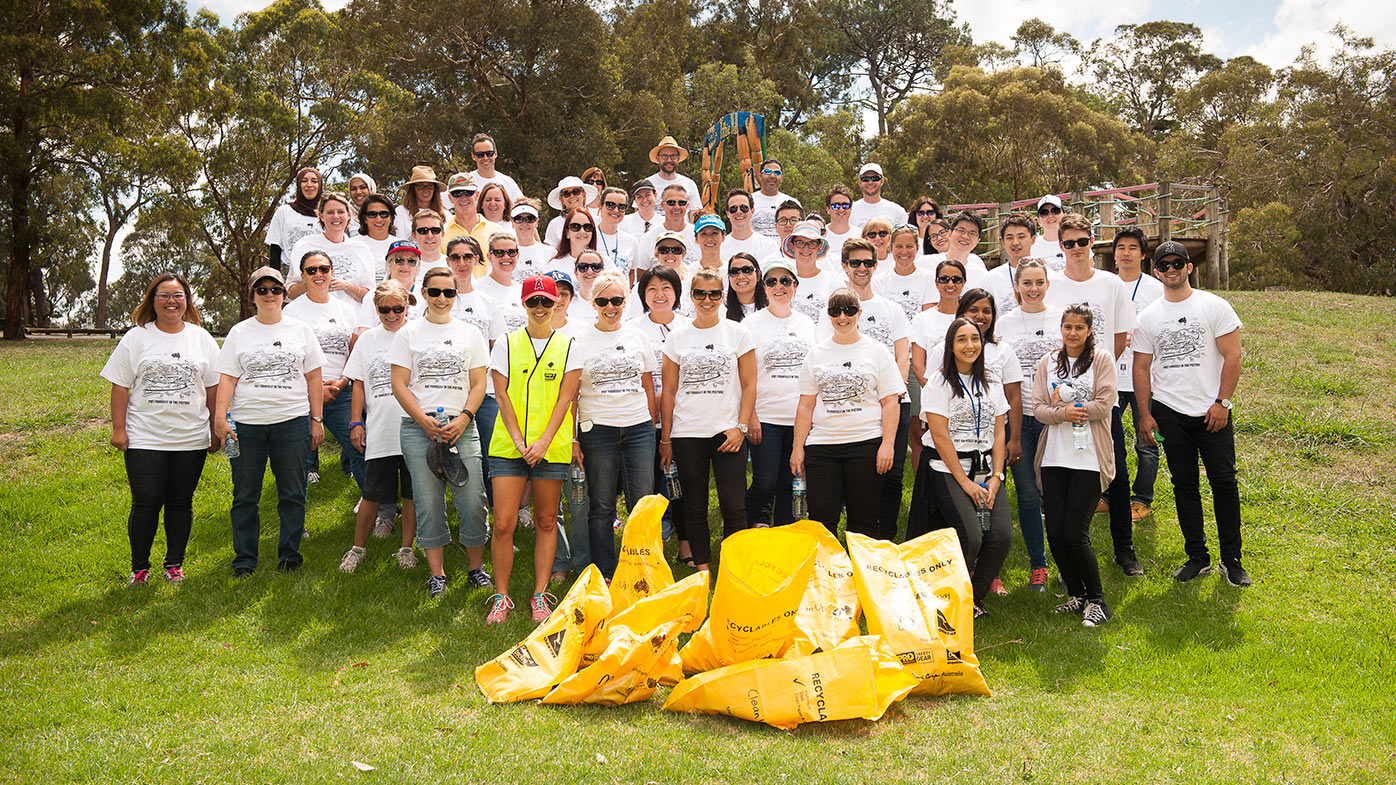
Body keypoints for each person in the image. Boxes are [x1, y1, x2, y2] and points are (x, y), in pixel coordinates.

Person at [1133, 240, 1248, 587]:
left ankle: (1232, 560)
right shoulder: (1148, 317)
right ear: (1156, 272)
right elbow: (1141, 368)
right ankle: (1197, 557)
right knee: (1184, 485)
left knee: (1224, 482)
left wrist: (1222, 402)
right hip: (1169, 412)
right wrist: (1145, 414)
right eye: (1164, 265)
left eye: (1177, 264)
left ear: (1189, 267)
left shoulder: (1214, 306)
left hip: (1213, 411)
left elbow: (1233, 356)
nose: (1171, 270)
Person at [103, 273, 221, 586]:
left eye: (178, 295)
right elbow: (120, 386)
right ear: (152, 301)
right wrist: (118, 429)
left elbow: (213, 388)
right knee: (146, 501)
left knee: (180, 502)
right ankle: (140, 569)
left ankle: (174, 565)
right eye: (164, 295)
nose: (171, 301)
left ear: (187, 301)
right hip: (145, 436)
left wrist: (215, 428)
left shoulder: (201, 338)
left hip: (190, 437)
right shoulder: (136, 337)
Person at [1043, 212, 1141, 576]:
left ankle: (1124, 550)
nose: (1076, 248)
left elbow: (1119, 338)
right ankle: (1067, 553)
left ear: (1092, 242)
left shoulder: (1110, 284)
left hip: (1101, 399)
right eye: (1068, 243)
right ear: (1060, 245)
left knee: (1116, 471)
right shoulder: (1051, 284)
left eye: (1082, 242)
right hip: (1060, 401)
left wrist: (1094, 374)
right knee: (1062, 473)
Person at [214, 266, 325, 576]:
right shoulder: (239, 332)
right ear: (252, 296)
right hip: (247, 425)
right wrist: (221, 418)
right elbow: (227, 378)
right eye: (262, 290)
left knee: (293, 492)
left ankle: (290, 556)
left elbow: (314, 377)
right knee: (245, 495)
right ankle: (244, 560)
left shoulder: (300, 330)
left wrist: (316, 419)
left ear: (284, 294)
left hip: (292, 422)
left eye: (275, 289)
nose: (269, 295)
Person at [388, 266, 492, 598]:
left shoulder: (470, 333)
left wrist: (465, 417)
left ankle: (476, 569)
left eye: (448, 292)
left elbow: (479, 383)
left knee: (472, 498)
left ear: (456, 295)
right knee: (428, 501)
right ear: (424, 293)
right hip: (419, 427)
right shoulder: (408, 333)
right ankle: (438, 574)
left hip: (462, 426)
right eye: (434, 292)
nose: (441, 298)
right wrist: (422, 419)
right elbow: (398, 383)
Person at [486, 274, 583, 623]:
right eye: (533, 301)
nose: (540, 307)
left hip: (550, 448)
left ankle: (539, 595)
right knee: (503, 523)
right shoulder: (506, 343)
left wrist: (543, 443)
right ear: (523, 304)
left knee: (546, 520)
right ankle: (501, 596)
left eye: (546, 301)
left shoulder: (570, 345)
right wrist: (518, 441)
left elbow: (566, 400)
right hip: (508, 447)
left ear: (557, 302)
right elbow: (501, 396)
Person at [659, 268, 756, 571]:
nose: (707, 299)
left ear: (722, 296)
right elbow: (669, 391)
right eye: (700, 293)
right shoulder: (677, 337)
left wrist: (741, 427)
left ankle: (733, 570)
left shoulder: (737, 333)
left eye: (714, 293)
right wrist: (666, 439)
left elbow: (750, 384)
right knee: (694, 505)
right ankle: (703, 571)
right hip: (688, 432)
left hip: (728, 432)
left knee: (734, 506)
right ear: (691, 296)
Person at [791, 286, 905, 536]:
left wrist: (888, 444)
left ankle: (861, 562)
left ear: (859, 313)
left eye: (849, 310)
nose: (842, 317)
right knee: (821, 521)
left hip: (865, 443)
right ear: (828, 315)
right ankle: (827, 563)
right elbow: (806, 405)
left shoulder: (877, 351)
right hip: (822, 446)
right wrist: (798, 448)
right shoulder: (816, 354)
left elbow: (890, 402)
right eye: (835, 311)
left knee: (864, 521)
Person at [818, 238, 910, 540]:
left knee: (892, 475)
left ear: (875, 265)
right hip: (851, 405)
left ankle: (884, 540)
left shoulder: (892, 309)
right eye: (855, 262)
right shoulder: (832, 309)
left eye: (868, 263)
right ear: (844, 266)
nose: (862, 268)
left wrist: (893, 392)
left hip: (893, 400)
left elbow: (902, 355)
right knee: (851, 479)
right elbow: (824, 354)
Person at [918, 317, 1010, 615]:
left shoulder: (992, 381)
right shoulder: (939, 382)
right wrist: (966, 483)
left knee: (1001, 536)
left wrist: (997, 476)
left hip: (987, 469)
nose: (969, 345)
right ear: (950, 346)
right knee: (971, 536)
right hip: (949, 469)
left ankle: (973, 600)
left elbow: (999, 432)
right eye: (961, 339)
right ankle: (946, 595)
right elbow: (940, 436)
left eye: (974, 339)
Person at [1033, 304, 1119, 626]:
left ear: (1089, 330)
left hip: (1089, 460)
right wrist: (1062, 414)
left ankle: (1098, 601)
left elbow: (1105, 404)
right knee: (1055, 531)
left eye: (1079, 328)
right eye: (1067, 327)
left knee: (1075, 532)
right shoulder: (1048, 362)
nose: (1072, 333)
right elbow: (1039, 409)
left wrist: (1069, 409)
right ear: (1061, 328)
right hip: (1054, 458)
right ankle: (1077, 594)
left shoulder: (1102, 360)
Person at [571, 270, 658, 577]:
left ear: (626, 301)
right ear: (592, 303)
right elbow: (571, 394)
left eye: (617, 300)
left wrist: (652, 426)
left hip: (638, 429)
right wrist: (573, 439)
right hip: (598, 430)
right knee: (602, 504)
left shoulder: (638, 336)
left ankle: (643, 568)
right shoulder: (579, 340)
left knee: (642, 503)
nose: (610, 306)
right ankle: (605, 572)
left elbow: (648, 385)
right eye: (603, 301)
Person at [340, 280, 420, 573]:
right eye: (384, 309)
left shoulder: (418, 335)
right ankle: (357, 549)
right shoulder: (367, 340)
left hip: (414, 427)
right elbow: (358, 384)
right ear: (376, 310)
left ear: (407, 306)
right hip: (380, 428)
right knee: (371, 493)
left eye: (397, 308)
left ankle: (407, 549)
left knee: (411, 494)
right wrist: (355, 422)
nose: (391, 315)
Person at [995, 258, 1060, 593]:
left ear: (1048, 284)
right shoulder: (1004, 324)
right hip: (1019, 420)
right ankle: (1039, 566)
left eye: (1039, 282)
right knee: (1028, 495)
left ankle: (1067, 563)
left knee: (1059, 493)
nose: (1033, 289)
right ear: (1016, 286)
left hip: (1056, 420)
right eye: (1027, 283)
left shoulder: (1061, 319)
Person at [954, 288, 1024, 595]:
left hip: (992, 444)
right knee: (967, 521)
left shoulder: (1002, 350)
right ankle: (963, 574)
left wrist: (1014, 439)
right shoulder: (947, 348)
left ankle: (989, 574)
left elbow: (1014, 397)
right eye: (973, 310)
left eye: (986, 310)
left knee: (992, 517)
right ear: (961, 312)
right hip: (957, 448)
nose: (980, 316)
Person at [283, 250, 366, 493]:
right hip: (303, 393)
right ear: (302, 276)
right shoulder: (291, 312)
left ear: (331, 273)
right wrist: (316, 389)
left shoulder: (346, 310)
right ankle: (296, 512)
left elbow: (354, 353)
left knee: (362, 447)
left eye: (324, 269)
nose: (318, 274)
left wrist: (342, 381)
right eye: (311, 270)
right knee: (297, 458)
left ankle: (376, 505)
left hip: (342, 391)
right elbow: (289, 360)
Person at [741, 259, 814, 528]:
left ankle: (783, 531)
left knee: (789, 480)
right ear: (764, 287)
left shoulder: (807, 323)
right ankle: (744, 525)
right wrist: (751, 416)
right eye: (772, 281)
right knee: (765, 481)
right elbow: (744, 376)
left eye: (785, 281)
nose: (778, 286)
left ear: (795, 286)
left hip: (799, 417)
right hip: (766, 417)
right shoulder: (751, 324)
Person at [1108, 227, 1165, 523]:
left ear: (1143, 255)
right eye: (1121, 248)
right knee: (1107, 440)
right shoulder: (1106, 285)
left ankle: (1142, 498)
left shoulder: (1156, 289)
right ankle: (1108, 494)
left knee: (1147, 440)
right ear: (1114, 254)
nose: (1126, 253)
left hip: (1146, 377)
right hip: (1112, 377)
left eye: (1133, 248)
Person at [908, 258, 967, 470]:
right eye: (944, 279)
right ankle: (923, 486)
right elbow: (918, 365)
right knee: (921, 438)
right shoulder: (923, 319)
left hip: (967, 393)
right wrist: (938, 393)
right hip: (931, 390)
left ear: (963, 283)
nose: (950, 284)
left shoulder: (970, 317)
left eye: (956, 279)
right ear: (936, 283)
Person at [286, 193, 373, 305]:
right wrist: (314, 281)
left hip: (352, 315)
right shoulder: (304, 245)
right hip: (312, 313)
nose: (336, 216)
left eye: (340, 212)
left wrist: (347, 286)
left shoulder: (361, 249)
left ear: (348, 215)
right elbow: (290, 293)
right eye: (330, 212)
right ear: (321, 216)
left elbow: (370, 297)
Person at [874, 224, 936, 322]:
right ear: (890, 248)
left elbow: (928, 319)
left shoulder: (930, 279)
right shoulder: (878, 282)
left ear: (917, 248)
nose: (904, 251)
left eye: (909, 246)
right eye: (899, 246)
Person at [266, 167, 322, 275]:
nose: (309, 185)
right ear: (298, 185)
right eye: (304, 181)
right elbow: (275, 249)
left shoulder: (327, 213)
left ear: (320, 185)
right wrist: (276, 280)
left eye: (314, 181)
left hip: (321, 274)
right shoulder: (284, 211)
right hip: (290, 274)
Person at [444, 173, 502, 270]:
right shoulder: (441, 234)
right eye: (457, 193)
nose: (463, 198)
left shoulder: (497, 231)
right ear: (450, 198)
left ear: (477, 195)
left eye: (468, 192)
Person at [982, 213, 1036, 315]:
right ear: (1003, 242)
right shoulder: (991, 278)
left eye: (1021, 237)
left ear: (1033, 239)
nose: (1015, 242)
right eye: (1010, 238)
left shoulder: (1047, 276)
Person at [786, 219, 838, 323]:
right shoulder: (781, 281)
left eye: (812, 243)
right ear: (792, 246)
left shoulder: (833, 281)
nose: (806, 248)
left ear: (819, 247)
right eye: (800, 243)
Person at [639, 184, 700, 269]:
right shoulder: (648, 238)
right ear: (662, 205)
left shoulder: (699, 235)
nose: (677, 207)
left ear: (687, 206)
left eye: (682, 203)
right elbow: (642, 272)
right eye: (671, 203)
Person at [925, 211, 989, 290]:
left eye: (972, 233)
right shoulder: (927, 264)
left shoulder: (981, 273)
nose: (965, 236)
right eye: (961, 230)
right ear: (950, 233)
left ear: (977, 241)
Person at [353, 194, 403, 285]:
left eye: (384, 214)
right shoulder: (352, 245)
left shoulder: (401, 245)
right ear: (364, 219)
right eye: (372, 214)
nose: (379, 219)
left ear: (391, 217)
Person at [646, 135, 700, 215]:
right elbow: (639, 214)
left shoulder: (689, 184)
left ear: (678, 158)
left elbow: (694, 215)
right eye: (664, 156)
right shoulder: (647, 184)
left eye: (673, 156)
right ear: (658, 158)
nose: (669, 160)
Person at [595, 186, 641, 278]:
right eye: (610, 205)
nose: (616, 210)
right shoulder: (589, 237)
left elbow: (631, 272)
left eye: (621, 207)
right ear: (600, 206)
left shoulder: (631, 241)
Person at [721, 189, 778, 260]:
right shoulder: (719, 246)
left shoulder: (768, 245)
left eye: (744, 208)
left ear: (752, 211)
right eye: (733, 208)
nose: (738, 212)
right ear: (727, 213)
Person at [545, 176, 599, 247]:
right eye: (567, 193)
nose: (572, 196)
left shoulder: (597, 221)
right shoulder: (554, 224)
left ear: (584, 194)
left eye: (576, 191)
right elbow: (550, 250)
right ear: (561, 199)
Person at [469, 133, 523, 200]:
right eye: (480, 155)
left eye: (489, 153)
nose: (485, 158)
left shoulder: (508, 183)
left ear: (495, 153)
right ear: (473, 156)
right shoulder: (467, 182)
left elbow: (522, 204)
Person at [396, 166, 448, 232]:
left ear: (435, 189)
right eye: (420, 186)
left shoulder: (445, 215)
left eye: (430, 186)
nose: (425, 190)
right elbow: (400, 237)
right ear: (413, 190)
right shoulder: (401, 212)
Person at [510, 199, 551, 282]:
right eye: (519, 219)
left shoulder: (550, 252)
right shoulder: (504, 252)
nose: (524, 223)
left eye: (530, 219)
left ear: (537, 222)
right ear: (512, 222)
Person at [751, 159, 794, 238]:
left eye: (777, 173)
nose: (772, 176)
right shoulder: (748, 201)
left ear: (781, 178)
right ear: (760, 176)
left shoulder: (792, 203)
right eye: (767, 172)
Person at [550, 207, 598, 276]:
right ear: (567, 233)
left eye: (587, 227)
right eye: (575, 226)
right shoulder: (554, 265)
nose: (582, 231)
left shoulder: (605, 263)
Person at [824, 185, 863, 263]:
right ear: (828, 209)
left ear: (850, 208)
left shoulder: (861, 235)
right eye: (836, 206)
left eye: (845, 206)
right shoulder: (819, 235)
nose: (841, 209)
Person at [724, 252, 766, 321]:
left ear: (758, 275)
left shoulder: (773, 306)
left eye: (747, 270)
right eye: (734, 272)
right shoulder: (721, 310)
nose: (741, 277)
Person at [569, 249, 606, 322]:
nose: (590, 271)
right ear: (576, 273)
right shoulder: (567, 303)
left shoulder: (614, 301)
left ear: (603, 271)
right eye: (583, 267)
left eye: (596, 267)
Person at [1032, 195, 1067, 271]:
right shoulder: (1030, 247)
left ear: (1065, 216)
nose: (1050, 215)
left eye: (1055, 211)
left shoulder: (1078, 242)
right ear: (1039, 221)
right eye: (1044, 213)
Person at [345, 172, 377, 236]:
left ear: (370, 188)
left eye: (363, 187)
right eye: (353, 189)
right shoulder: (344, 213)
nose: (358, 192)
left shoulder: (383, 212)